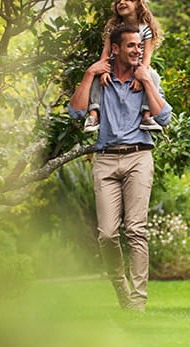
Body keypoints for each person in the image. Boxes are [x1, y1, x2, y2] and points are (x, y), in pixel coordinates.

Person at [68, 25, 172, 311]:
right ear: (115, 49)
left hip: (139, 156)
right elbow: (76, 112)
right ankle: (122, 289)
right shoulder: (100, 80)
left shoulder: (147, 76)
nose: (138, 50)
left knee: (136, 230)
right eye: (131, 46)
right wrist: (89, 73)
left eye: (140, 46)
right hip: (105, 159)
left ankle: (137, 302)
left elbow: (163, 119)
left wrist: (148, 82)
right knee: (107, 234)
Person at [84, 0, 164, 133]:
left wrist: (140, 78)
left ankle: (147, 115)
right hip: (116, 65)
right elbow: (106, 52)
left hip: (138, 66)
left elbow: (146, 58)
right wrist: (103, 71)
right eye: (118, 1)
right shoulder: (114, 27)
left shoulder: (146, 29)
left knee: (153, 77)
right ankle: (94, 114)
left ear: (138, 4)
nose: (121, 3)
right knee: (95, 75)